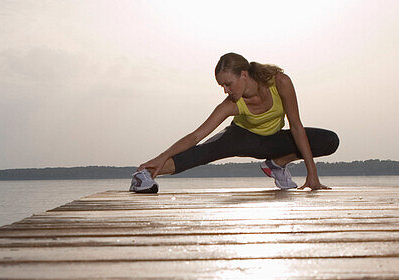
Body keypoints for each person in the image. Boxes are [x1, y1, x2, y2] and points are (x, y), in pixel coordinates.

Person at [131, 53, 339, 193]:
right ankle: (144, 174)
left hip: (274, 140)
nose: (226, 90)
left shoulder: (279, 82)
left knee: (328, 140)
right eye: (222, 86)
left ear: (244, 75)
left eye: (228, 84)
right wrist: (161, 157)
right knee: (203, 152)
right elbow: (196, 136)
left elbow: (296, 125)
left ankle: (277, 164)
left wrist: (313, 174)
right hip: (241, 138)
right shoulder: (231, 104)